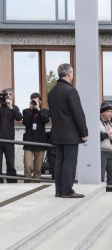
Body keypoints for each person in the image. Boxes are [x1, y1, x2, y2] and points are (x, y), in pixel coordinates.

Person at [48, 63, 88, 198]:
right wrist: (84, 132)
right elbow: (78, 113)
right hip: (71, 134)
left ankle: (59, 191)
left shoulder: (52, 92)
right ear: (70, 73)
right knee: (69, 162)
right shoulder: (70, 90)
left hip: (57, 134)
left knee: (59, 162)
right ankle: (67, 191)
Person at [0, 88, 22, 183]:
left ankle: (12, 184)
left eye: (10, 94)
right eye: (6, 94)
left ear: (12, 96)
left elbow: (19, 118)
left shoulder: (14, 107)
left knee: (11, 164)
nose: (8, 95)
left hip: (9, 140)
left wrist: (11, 107)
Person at [22, 92, 50, 182]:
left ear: (40, 102)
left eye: (36, 101)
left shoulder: (44, 111)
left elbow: (45, 120)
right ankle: (27, 183)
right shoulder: (26, 111)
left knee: (38, 168)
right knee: (28, 166)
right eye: (33, 100)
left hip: (40, 142)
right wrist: (31, 109)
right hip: (29, 142)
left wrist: (38, 109)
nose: (34, 102)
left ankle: (36, 184)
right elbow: (25, 122)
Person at [99, 103, 112, 191]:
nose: (110, 113)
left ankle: (109, 190)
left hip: (110, 152)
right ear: (102, 113)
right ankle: (100, 191)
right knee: (101, 173)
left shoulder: (110, 123)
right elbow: (97, 137)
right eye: (108, 111)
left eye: (111, 111)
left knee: (111, 173)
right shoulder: (97, 123)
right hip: (101, 152)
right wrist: (107, 135)